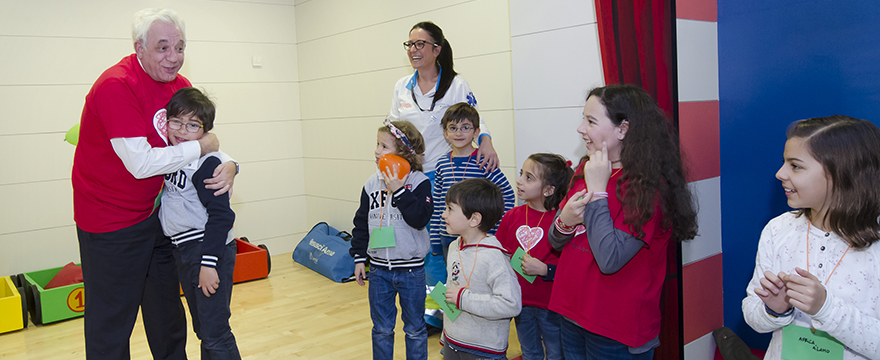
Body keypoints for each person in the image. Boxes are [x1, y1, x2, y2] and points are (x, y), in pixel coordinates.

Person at [71, 8, 237, 359]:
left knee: (166, 314)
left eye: (180, 47)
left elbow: (199, 144)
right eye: (163, 47)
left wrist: (231, 165)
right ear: (139, 48)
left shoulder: (181, 87)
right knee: (112, 324)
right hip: (109, 223)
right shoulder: (116, 85)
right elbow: (142, 163)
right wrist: (204, 144)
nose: (173, 57)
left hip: (158, 217)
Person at [548, 84, 698, 359]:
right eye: (583, 119)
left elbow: (610, 259)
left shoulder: (648, 188)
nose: (581, 129)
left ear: (622, 129)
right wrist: (565, 221)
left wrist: (598, 191)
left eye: (591, 121)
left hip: (615, 329)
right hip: (571, 313)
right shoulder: (586, 168)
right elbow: (555, 241)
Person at [742, 116, 880, 360]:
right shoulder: (779, 229)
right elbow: (753, 315)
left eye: (796, 166)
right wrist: (774, 310)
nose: (780, 173)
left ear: (840, 174)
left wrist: (826, 308)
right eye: (784, 162)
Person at [158, 87, 241, 359]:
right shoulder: (172, 156)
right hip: (185, 250)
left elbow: (222, 217)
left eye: (192, 125)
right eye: (176, 122)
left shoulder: (206, 164)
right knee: (204, 329)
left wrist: (208, 263)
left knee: (215, 333)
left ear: (205, 133)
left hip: (205, 250)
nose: (182, 130)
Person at [350, 120, 433, 360]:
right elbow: (361, 223)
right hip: (378, 271)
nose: (377, 151)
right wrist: (358, 258)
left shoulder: (419, 182)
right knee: (382, 329)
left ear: (404, 152)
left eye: (384, 146)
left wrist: (398, 190)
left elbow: (419, 218)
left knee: (415, 329)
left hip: (411, 271)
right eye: (377, 144)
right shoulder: (370, 183)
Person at [388, 21, 499, 177]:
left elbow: (476, 119)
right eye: (410, 44)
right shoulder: (402, 86)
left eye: (420, 44)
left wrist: (486, 142)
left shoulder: (456, 85)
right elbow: (393, 129)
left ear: (437, 50)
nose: (413, 50)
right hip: (408, 173)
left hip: (443, 172)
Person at [496, 153, 573, 360]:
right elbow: (500, 255)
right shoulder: (512, 216)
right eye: (521, 174)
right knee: (529, 351)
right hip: (521, 302)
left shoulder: (563, 221)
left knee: (556, 352)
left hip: (551, 305)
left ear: (548, 190)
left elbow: (571, 269)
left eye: (528, 177)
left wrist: (544, 270)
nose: (519, 180)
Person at [441, 178, 522, 360]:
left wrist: (464, 299)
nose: (443, 214)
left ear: (474, 219)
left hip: (483, 350)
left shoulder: (494, 257)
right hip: (452, 342)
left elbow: (511, 304)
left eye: (450, 209)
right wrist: (446, 334)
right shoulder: (455, 246)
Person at [430, 103, 515, 259]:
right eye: (453, 128)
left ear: (476, 132)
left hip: (478, 236)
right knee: (455, 278)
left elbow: (507, 195)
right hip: (448, 236)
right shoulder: (441, 163)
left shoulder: (484, 162)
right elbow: (437, 204)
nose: (459, 133)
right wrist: (435, 239)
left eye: (465, 127)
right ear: (445, 133)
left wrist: (494, 227)